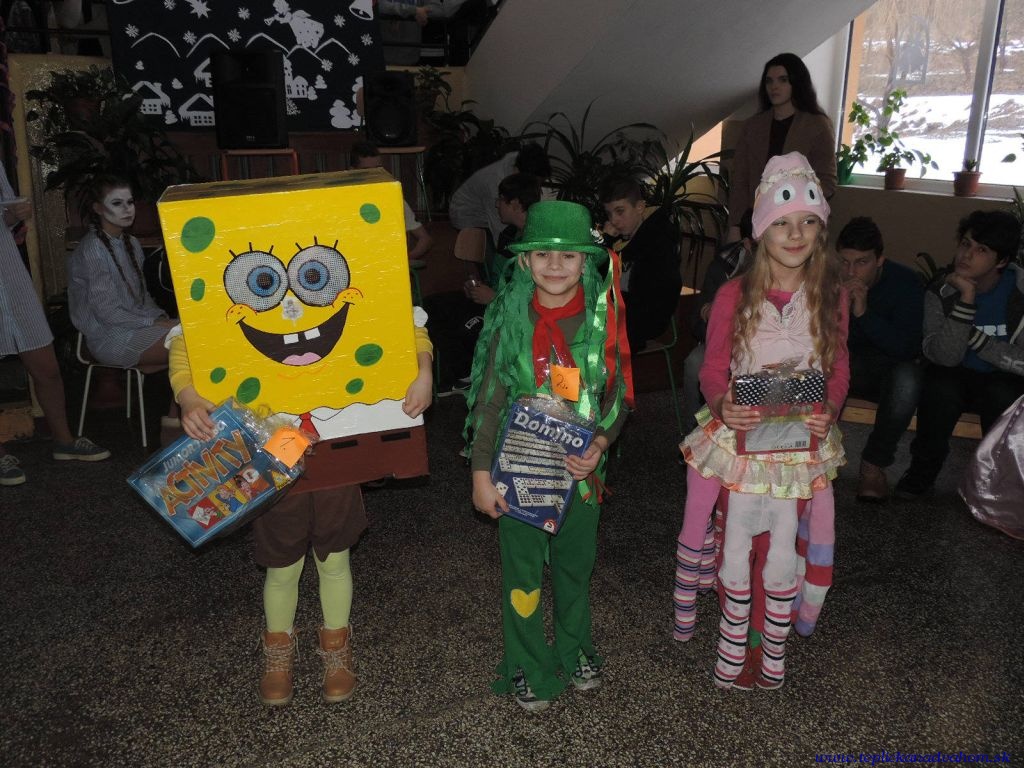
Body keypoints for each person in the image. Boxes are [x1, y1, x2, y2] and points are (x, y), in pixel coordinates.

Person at [173, 321, 433, 707]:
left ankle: (336, 645)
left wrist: (424, 371)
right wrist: (188, 396)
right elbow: (189, 336)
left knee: (335, 557)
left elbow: (398, 319)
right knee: (282, 564)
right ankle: (278, 651)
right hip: (272, 448)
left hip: (337, 444)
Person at [673, 152, 848, 690]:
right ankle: (732, 636)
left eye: (808, 222)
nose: (795, 235)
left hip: (799, 445)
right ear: (760, 231)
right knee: (738, 543)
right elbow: (712, 369)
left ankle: (767, 643)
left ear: (820, 230)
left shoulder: (832, 296)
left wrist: (828, 410)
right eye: (782, 223)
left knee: (780, 549)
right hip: (743, 442)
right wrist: (721, 402)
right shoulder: (733, 295)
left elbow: (839, 367)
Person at [466, 200, 632, 712]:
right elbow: (489, 400)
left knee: (574, 570)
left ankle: (575, 646)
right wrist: (480, 473)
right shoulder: (509, 319)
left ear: (586, 262)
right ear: (524, 260)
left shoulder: (603, 319)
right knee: (522, 574)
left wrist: (599, 444)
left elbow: (619, 397)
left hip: (580, 475)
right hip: (518, 473)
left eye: (568, 256)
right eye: (542, 254)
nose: (555, 265)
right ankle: (526, 661)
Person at [895, 209, 1024, 500]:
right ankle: (922, 472)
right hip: (956, 373)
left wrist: (977, 339)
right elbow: (944, 356)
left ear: (1002, 261)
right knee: (940, 386)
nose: (967, 255)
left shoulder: (1019, 293)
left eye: (981, 250)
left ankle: (997, 484)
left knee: (1003, 393)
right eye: (965, 244)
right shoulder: (941, 291)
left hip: (1004, 378)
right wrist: (966, 298)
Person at [0, 162, 109, 486]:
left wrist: (14, 215)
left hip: (9, 275)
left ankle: (64, 441)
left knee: (45, 363)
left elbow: (5, 218)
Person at [67, 175, 179, 424]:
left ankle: (178, 420)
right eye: (117, 203)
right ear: (98, 208)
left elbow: (142, 297)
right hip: (110, 337)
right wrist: (157, 323)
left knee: (191, 335)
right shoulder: (93, 249)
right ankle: (176, 422)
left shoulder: (131, 243)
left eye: (130, 202)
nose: (127, 209)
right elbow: (108, 313)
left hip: (135, 329)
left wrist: (161, 318)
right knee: (190, 346)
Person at [427, 172, 540, 393]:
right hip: (494, 300)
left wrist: (494, 298)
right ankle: (464, 374)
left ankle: (473, 373)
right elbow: (501, 276)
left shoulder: (536, 242)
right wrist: (478, 287)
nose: (496, 204)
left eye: (501, 199)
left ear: (515, 204)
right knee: (432, 305)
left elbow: (534, 297)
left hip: (510, 313)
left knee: (466, 326)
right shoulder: (509, 234)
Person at [836, 217, 924, 502]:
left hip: (887, 370)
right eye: (844, 262)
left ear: (879, 260)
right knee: (820, 367)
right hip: (843, 363)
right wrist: (838, 307)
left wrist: (863, 314)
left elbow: (907, 348)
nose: (851, 271)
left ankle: (873, 467)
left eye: (861, 262)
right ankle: (819, 459)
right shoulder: (829, 280)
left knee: (909, 379)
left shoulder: (906, 283)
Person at [727, 52, 837, 246]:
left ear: (796, 83)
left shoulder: (816, 125)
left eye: (783, 80)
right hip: (754, 222)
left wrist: (800, 208)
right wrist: (735, 226)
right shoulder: (753, 126)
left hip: (799, 224)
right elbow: (740, 180)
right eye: (769, 81)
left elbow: (827, 181)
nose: (774, 86)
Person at [601, 176, 681, 353]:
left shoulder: (659, 239)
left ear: (640, 207)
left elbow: (651, 297)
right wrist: (606, 242)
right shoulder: (619, 238)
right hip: (619, 312)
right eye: (609, 213)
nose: (613, 220)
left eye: (620, 211)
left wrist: (607, 244)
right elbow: (599, 279)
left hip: (643, 318)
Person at [449, 143, 551, 244]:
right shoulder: (495, 184)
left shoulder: (522, 159)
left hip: (487, 206)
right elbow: (500, 231)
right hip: (466, 213)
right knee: (492, 243)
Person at [349, 141, 433, 261]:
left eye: (378, 169)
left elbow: (425, 239)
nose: (374, 175)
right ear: (352, 171)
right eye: (366, 170)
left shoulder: (393, 199)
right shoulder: (343, 202)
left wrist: (404, 261)